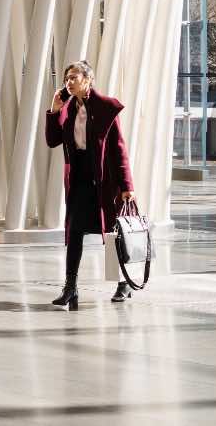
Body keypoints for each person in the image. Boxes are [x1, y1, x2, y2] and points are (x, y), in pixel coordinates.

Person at [44, 60, 134, 310]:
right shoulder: (68, 108)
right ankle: (70, 288)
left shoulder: (105, 107)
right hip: (78, 178)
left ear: (88, 80)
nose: (69, 82)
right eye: (67, 78)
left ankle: (123, 283)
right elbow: (52, 140)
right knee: (74, 233)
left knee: (112, 233)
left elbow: (118, 149)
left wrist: (127, 184)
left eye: (74, 77)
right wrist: (54, 109)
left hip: (104, 179)